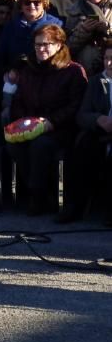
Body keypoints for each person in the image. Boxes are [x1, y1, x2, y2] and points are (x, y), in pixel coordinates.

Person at [5, 25, 87, 215]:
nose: (40, 49)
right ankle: (39, 192)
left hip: (61, 127)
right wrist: (23, 121)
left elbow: (76, 105)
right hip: (31, 125)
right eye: (37, 45)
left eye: (46, 45)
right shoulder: (29, 68)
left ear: (59, 45)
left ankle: (40, 196)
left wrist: (51, 122)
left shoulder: (73, 71)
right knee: (14, 145)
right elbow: (18, 100)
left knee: (40, 145)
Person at [64, 41, 112, 224]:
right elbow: (82, 115)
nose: (109, 63)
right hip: (100, 132)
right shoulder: (96, 82)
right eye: (107, 58)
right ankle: (74, 208)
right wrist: (98, 119)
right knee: (82, 148)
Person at [0, 0, 62, 77]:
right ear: (21, 5)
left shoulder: (55, 24)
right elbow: (0, 54)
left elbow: (60, 55)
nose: (32, 6)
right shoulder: (11, 25)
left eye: (37, 2)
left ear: (44, 4)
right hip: (14, 77)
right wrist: (6, 73)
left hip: (45, 76)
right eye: (27, 2)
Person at [64, 0, 112, 76]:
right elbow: (67, 48)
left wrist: (108, 28)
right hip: (86, 70)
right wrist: (83, 31)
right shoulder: (74, 10)